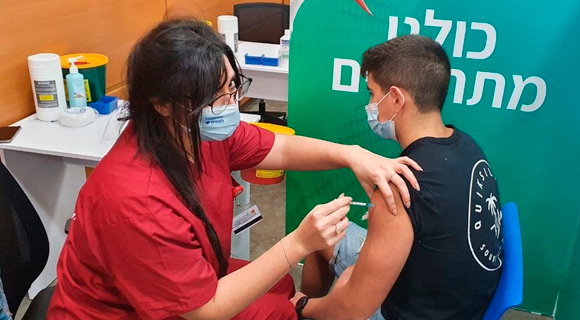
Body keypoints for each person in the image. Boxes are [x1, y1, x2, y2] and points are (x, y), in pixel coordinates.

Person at [46, 19, 421, 320]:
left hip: (197, 272)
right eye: (218, 95)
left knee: (282, 291)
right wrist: (298, 244)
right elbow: (202, 310)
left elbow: (282, 147)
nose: (231, 103)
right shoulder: (135, 202)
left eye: (232, 86)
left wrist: (352, 154)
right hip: (128, 309)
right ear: (162, 103)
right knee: (281, 310)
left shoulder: (196, 132)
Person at [294, 34, 503, 320]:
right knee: (326, 237)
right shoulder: (467, 145)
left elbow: (352, 309)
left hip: (415, 312)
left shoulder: (398, 188)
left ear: (395, 98)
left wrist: (302, 306)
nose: (369, 104)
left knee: (335, 280)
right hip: (461, 302)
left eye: (371, 93)